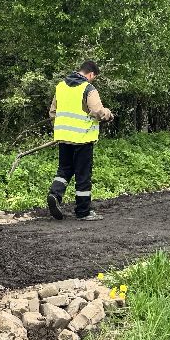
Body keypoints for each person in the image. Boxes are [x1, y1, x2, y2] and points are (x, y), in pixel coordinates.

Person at [47, 60, 115, 221]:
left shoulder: (61, 86)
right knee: (83, 174)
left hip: (64, 137)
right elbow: (97, 111)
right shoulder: (88, 89)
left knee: (64, 170)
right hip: (83, 138)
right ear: (90, 74)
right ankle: (83, 212)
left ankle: (54, 194)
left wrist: (60, 129)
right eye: (94, 77)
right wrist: (108, 114)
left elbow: (52, 112)